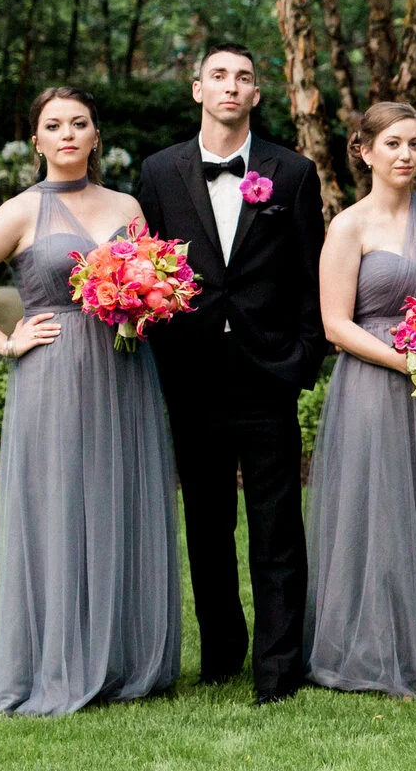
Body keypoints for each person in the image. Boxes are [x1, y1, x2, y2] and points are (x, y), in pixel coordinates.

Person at [0, 86, 181, 717]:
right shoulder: (21, 212)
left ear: (96, 137)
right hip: (52, 374)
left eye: (80, 123)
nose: (68, 134)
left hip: (124, 368)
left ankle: (123, 657)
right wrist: (4, 342)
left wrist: (146, 305)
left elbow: (150, 282)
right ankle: (58, 659)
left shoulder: (128, 206)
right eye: (54, 125)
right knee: (61, 503)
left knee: (118, 497)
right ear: (38, 140)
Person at [136, 44, 328, 704]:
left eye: (244, 77)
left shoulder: (293, 173)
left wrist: (302, 358)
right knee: (209, 524)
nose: (231, 86)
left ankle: (280, 668)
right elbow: (146, 268)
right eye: (219, 75)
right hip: (191, 374)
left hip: (267, 372)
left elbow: (311, 276)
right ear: (197, 89)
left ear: (255, 94)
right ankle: (221, 652)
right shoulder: (159, 173)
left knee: (277, 526)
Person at [305, 101, 416, 697]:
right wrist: (410, 360)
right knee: (377, 514)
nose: (406, 155)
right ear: (365, 151)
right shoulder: (348, 227)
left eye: (415, 144)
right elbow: (335, 324)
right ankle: (373, 647)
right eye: (394, 145)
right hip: (374, 387)